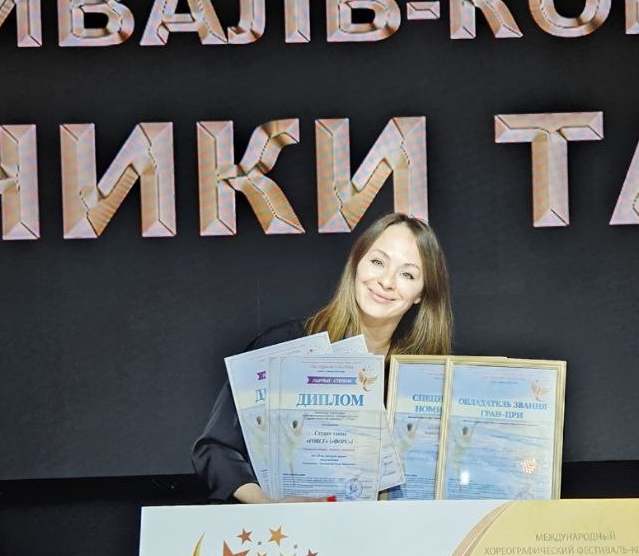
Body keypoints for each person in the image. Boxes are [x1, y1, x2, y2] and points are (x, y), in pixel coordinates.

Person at [192, 212, 453, 503]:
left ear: (421, 294)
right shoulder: (284, 347)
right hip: (292, 529)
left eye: (407, 274)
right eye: (378, 262)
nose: (387, 281)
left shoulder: (425, 380)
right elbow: (215, 449)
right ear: (356, 263)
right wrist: (269, 507)